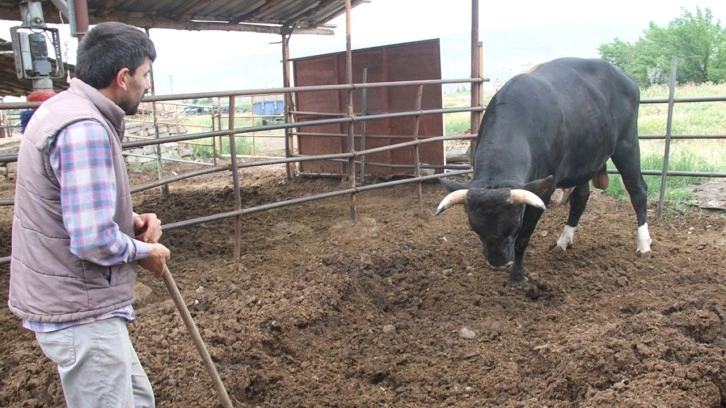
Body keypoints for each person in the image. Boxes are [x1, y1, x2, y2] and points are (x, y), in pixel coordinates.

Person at [8, 22, 170, 407]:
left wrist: (127, 220)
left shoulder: (62, 109)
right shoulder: (85, 129)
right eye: (145, 75)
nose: (147, 84)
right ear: (123, 77)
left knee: (138, 399)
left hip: (76, 300)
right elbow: (93, 239)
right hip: (80, 311)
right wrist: (144, 252)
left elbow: (70, 206)